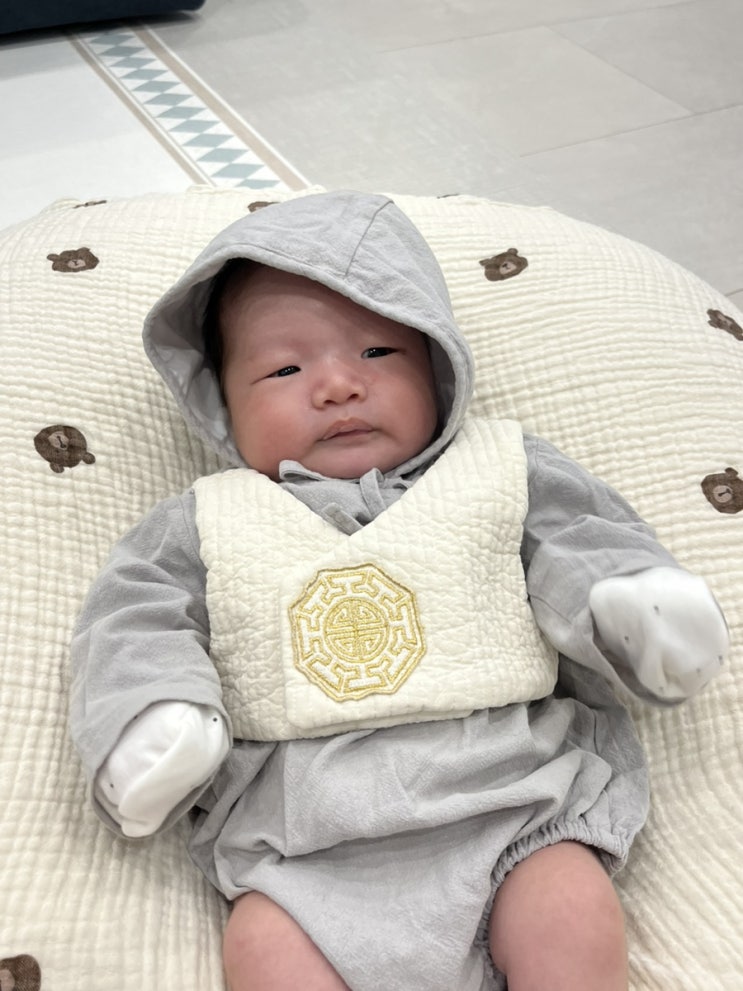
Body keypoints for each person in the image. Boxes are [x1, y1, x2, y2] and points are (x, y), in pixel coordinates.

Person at [69, 191, 728, 991]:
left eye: (378, 351)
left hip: (515, 807)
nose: (337, 385)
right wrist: (151, 717)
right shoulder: (204, 520)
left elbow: (578, 537)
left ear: (436, 364)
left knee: (567, 906)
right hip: (302, 853)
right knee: (264, 945)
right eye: (284, 369)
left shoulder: (497, 468)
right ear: (222, 404)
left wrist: (628, 602)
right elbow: (135, 619)